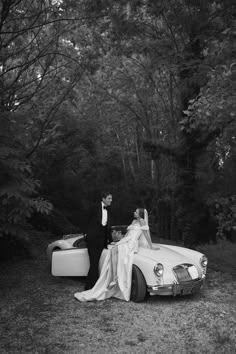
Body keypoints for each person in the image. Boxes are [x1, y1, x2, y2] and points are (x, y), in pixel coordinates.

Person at [74, 207, 152, 302]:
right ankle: (114, 276)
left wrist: (151, 246)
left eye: (136, 211)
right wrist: (120, 239)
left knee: (114, 250)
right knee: (113, 250)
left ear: (140, 213)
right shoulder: (134, 221)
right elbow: (128, 233)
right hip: (126, 240)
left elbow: (146, 234)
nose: (134, 212)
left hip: (131, 242)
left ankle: (115, 277)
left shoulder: (142, 222)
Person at [84, 191, 113, 290]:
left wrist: (110, 240)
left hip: (102, 241)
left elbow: (107, 228)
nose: (111, 200)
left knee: (95, 262)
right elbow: (85, 219)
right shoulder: (94, 207)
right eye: (109, 198)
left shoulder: (108, 211)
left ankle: (93, 286)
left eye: (111, 198)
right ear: (103, 198)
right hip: (92, 239)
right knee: (94, 262)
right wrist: (85, 234)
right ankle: (89, 287)